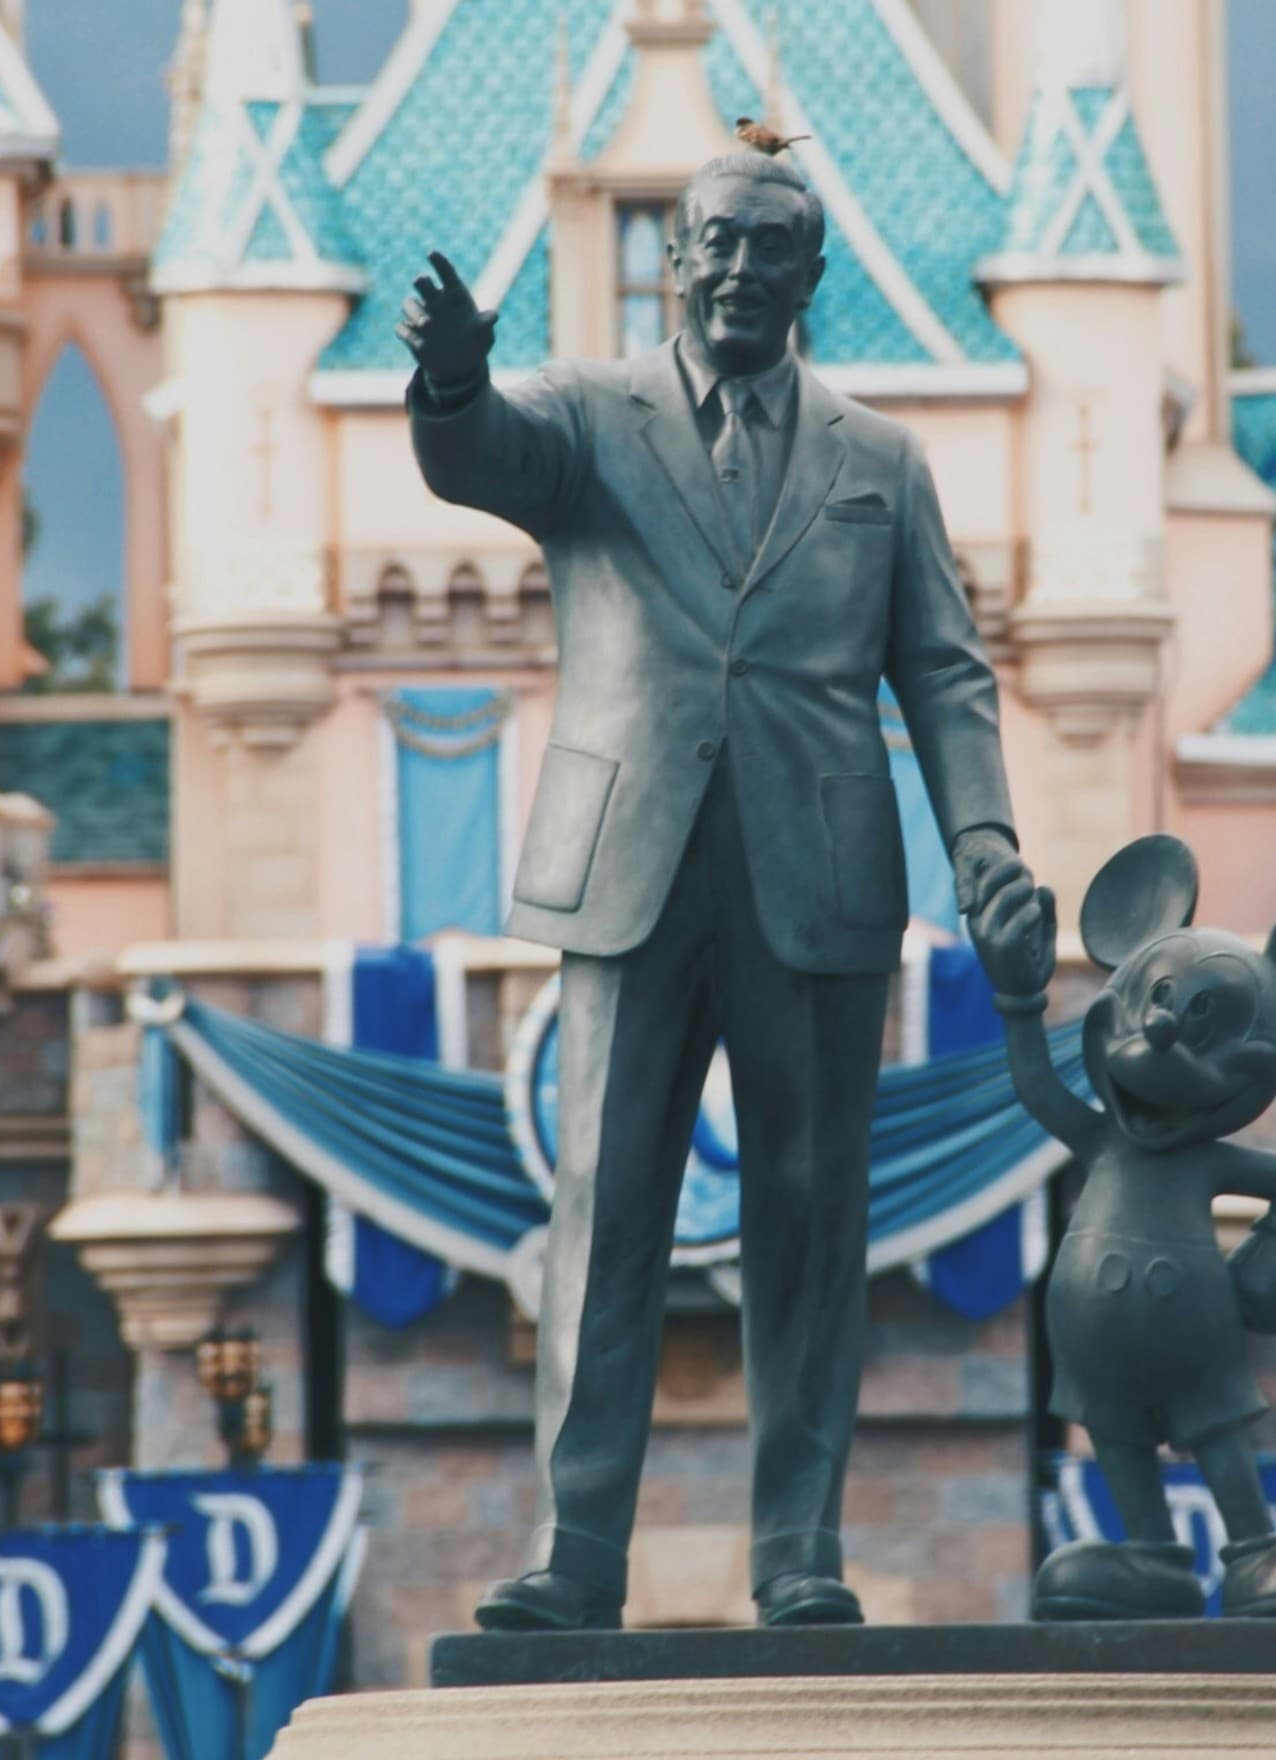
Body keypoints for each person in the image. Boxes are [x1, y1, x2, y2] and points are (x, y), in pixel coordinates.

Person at [398, 150, 1047, 1631]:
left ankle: (799, 1552)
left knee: (813, 1225)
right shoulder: (583, 414)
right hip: (630, 865)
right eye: (716, 244)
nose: (743, 269)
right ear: (672, 262)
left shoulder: (880, 461)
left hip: (818, 878)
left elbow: (943, 672)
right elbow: (479, 455)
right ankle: (577, 1555)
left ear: (815, 281)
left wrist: (987, 844)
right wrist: (449, 388)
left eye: (774, 250)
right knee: (606, 1209)